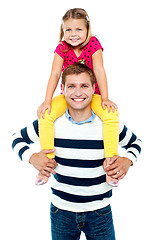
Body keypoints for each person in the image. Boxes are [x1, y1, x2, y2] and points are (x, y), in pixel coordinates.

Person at [12, 63, 142, 240]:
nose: (78, 93)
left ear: (94, 88)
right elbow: (16, 138)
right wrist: (32, 157)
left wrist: (127, 161)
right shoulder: (49, 123)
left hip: (100, 213)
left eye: (84, 86)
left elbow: (136, 143)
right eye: (71, 86)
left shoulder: (109, 125)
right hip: (61, 213)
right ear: (63, 89)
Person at [36, 8, 119, 186]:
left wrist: (104, 98)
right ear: (63, 31)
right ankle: (47, 165)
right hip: (68, 97)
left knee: (110, 115)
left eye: (79, 29)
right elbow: (55, 73)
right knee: (45, 115)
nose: (73, 34)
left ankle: (111, 166)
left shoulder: (94, 44)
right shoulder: (62, 47)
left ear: (87, 29)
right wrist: (47, 100)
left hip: (91, 96)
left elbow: (99, 70)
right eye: (69, 30)